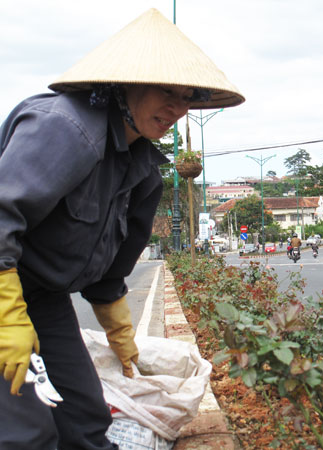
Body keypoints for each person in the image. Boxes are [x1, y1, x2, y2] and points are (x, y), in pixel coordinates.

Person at [0, 8, 244, 449]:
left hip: (41, 294)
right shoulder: (66, 129)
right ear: (122, 85)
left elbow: (114, 264)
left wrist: (119, 331)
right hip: (3, 282)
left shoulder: (144, 168)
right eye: (165, 91)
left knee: (86, 420)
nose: (178, 107)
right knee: (25, 432)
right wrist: (6, 318)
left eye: (187, 95)